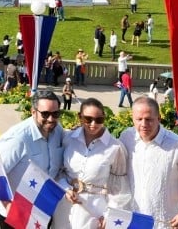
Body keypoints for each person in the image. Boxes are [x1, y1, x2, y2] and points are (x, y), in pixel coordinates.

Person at [120, 97, 178, 228]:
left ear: (159, 118)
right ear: (132, 118)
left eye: (149, 119)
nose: (144, 124)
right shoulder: (126, 138)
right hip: (134, 219)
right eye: (139, 119)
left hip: (166, 222)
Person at [54, 98, 130, 229]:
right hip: (65, 205)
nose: (93, 124)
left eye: (99, 119)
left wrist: (110, 216)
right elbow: (60, 171)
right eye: (88, 119)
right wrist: (65, 188)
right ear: (80, 117)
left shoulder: (115, 147)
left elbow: (120, 187)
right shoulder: (68, 138)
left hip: (94, 210)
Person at [0, 90, 65, 228]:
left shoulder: (57, 131)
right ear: (33, 112)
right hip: (16, 210)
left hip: (42, 208)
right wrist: (9, 208)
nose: (51, 119)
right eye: (45, 114)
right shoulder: (17, 138)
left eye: (55, 114)